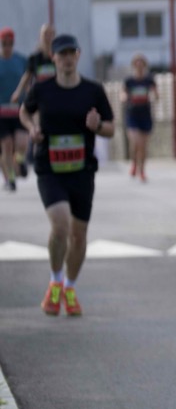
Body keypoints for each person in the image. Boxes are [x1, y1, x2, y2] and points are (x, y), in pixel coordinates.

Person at [19, 34, 115, 316]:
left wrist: (97, 126)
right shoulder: (42, 89)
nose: (67, 59)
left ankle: (70, 288)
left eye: (72, 53)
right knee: (60, 226)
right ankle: (55, 281)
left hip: (82, 171)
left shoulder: (93, 90)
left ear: (78, 55)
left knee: (79, 235)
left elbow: (111, 128)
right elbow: (24, 112)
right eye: (62, 54)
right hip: (50, 168)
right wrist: (32, 129)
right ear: (54, 58)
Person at [12, 24, 56, 180]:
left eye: (51, 34)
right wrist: (18, 92)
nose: (48, 37)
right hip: (40, 101)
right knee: (38, 130)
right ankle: (36, 159)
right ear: (40, 37)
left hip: (56, 99)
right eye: (45, 34)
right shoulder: (35, 58)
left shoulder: (58, 56)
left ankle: (50, 158)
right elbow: (27, 76)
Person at [121, 53, 159, 182]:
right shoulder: (129, 81)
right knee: (135, 143)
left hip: (145, 115)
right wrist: (124, 98)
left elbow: (156, 94)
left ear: (144, 65)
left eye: (141, 64)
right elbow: (123, 93)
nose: (139, 66)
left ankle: (142, 170)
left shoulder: (149, 80)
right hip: (133, 115)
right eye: (137, 64)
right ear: (133, 65)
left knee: (143, 145)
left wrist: (155, 95)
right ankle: (134, 163)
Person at [0, 27, 28, 191]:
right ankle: (10, 178)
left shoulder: (21, 61)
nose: (7, 47)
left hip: (18, 109)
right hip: (1, 112)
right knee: (7, 145)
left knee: (21, 142)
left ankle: (20, 160)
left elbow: (29, 79)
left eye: (10, 43)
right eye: (4, 43)